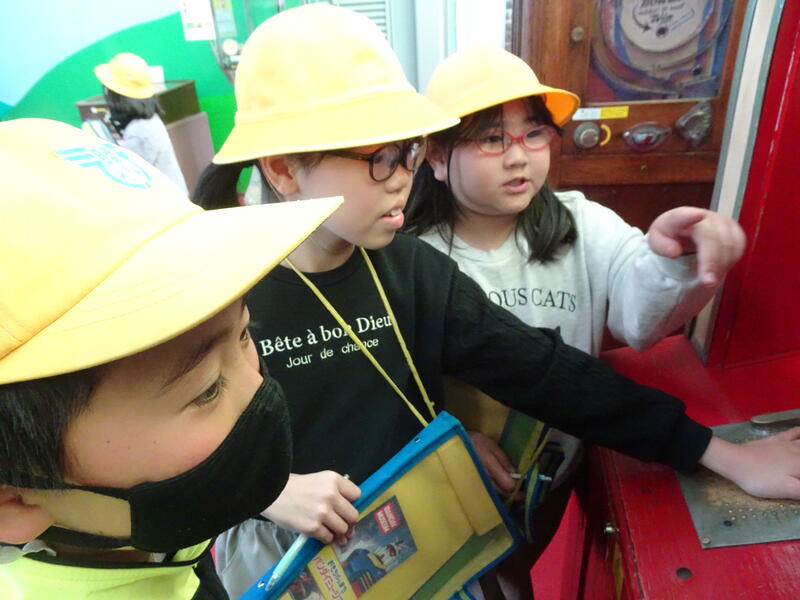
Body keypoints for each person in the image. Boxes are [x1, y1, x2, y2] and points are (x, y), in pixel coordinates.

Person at [192, 5, 800, 600]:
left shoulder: (413, 271)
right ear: (283, 169)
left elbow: (547, 373)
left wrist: (722, 455)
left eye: (407, 152)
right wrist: (269, 492)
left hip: (418, 548)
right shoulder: (217, 293)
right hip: (286, 565)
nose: (403, 177)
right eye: (379, 159)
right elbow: (155, 462)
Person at [403, 44, 747, 596]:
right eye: (492, 139)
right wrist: (442, 438)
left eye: (533, 133)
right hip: (453, 489)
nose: (519, 157)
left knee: (517, 573)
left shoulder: (583, 225)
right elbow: (385, 382)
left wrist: (672, 258)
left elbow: (639, 323)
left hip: (552, 476)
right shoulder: (411, 258)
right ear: (438, 158)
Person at [0, 117, 341, 599]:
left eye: (245, 335)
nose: (259, 388)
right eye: (206, 389)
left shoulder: (140, 540)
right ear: (13, 499)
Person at [94, 52, 189, 193]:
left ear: (114, 94)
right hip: (171, 194)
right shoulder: (148, 120)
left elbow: (127, 168)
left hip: (164, 199)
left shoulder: (140, 129)